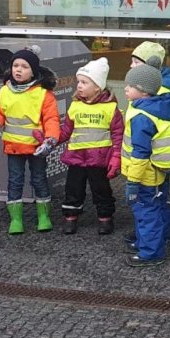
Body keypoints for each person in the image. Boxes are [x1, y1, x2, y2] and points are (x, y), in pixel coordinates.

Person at [0, 47, 61, 235]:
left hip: (37, 147)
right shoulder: (5, 91)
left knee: (39, 179)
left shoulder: (43, 94)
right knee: (15, 181)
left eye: (24, 66)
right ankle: (16, 219)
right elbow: (0, 111)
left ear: (34, 71)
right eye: (15, 65)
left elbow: (51, 119)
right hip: (13, 146)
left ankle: (44, 217)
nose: (18, 70)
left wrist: (50, 140)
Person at [122, 62, 170, 267]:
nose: (125, 88)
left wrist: (133, 181)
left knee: (146, 211)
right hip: (160, 169)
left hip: (145, 174)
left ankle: (151, 252)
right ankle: (156, 241)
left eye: (130, 86)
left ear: (143, 91)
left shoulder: (142, 116)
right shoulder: (162, 106)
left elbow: (140, 153)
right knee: (159, 205)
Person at [58, 57, 122, 236]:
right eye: (78, 81)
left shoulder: (110, 108)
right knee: (73, 189)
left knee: (101, 190)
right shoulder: (75, 106)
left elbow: (118, 135)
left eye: (84, 82)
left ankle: (105, 217)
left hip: (99, 159)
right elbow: (66, 131)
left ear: (97, 87)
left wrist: (116, 157)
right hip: (76, 158)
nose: (79, 86)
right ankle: (70, 217)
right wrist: (50, 139)